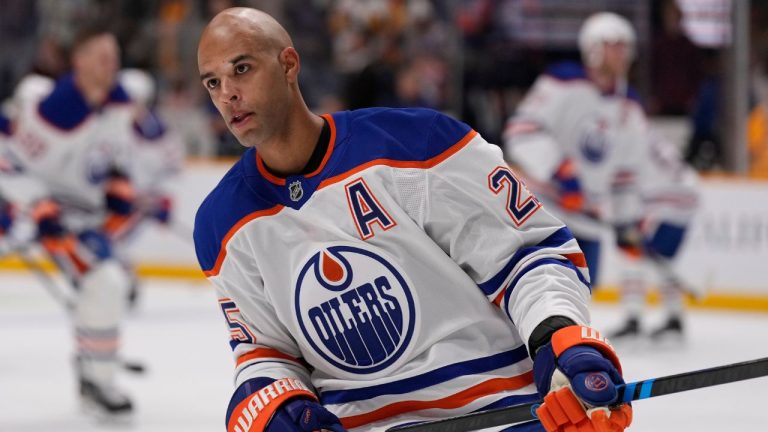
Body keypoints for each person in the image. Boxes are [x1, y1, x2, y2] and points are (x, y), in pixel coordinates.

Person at [194, 7, 632, 432]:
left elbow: (527, 256)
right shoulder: (222, 224)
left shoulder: (417, 144)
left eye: (242, 70)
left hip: (501, 411)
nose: (227, 94)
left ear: (288, 64)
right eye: (213, 82)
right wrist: (280, 408)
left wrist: (557, 334)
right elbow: (266, 350)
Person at [503, 12, 698, 342]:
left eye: (625, 46)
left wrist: (624, 223)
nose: (622, 53)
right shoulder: (561, 83)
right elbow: (520, 132)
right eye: (613, 45)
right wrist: (561, 171)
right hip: (541, 207)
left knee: (575, 300)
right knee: (529, 288)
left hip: (586, 217)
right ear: (592, 47)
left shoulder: (630, 109)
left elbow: (623, 178)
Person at [2, 26, 142, 417]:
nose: (110, 64)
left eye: (113, 56)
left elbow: (116, 158)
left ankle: (95, 375)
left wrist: (119, 183)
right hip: (35, 213)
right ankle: (96, 377)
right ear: (78, 61)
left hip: (79, 216)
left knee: (108, 283)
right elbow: (10, 164)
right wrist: (39, 207)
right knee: (104, 282)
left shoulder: (118, 102)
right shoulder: (58, 108)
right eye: (100, 57)